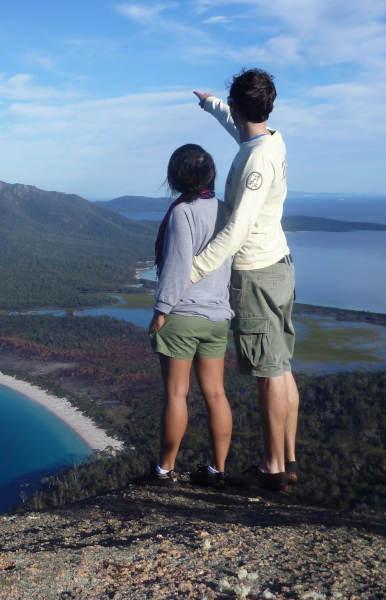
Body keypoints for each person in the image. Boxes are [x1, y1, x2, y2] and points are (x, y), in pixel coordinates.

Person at [191, 68, 299, 492]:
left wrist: (195, 270)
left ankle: (273, 468)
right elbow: (241, 130)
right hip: (279, 265)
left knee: (269, 372)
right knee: (282, 366)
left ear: (240, 107)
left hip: (255, 273)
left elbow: (235, 229)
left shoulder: (255, 161)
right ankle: (288, 459)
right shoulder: (270, 140)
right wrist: (211, 104)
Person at [145, 143, 234, 488]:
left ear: (176, 175)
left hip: (182, 313)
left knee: (176, 394)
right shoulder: (225, 210)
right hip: (216, 316)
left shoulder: (183, 212)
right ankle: (218, 470)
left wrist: (161, 310)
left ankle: (165, 471)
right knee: (216, 393)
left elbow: (178, 265)